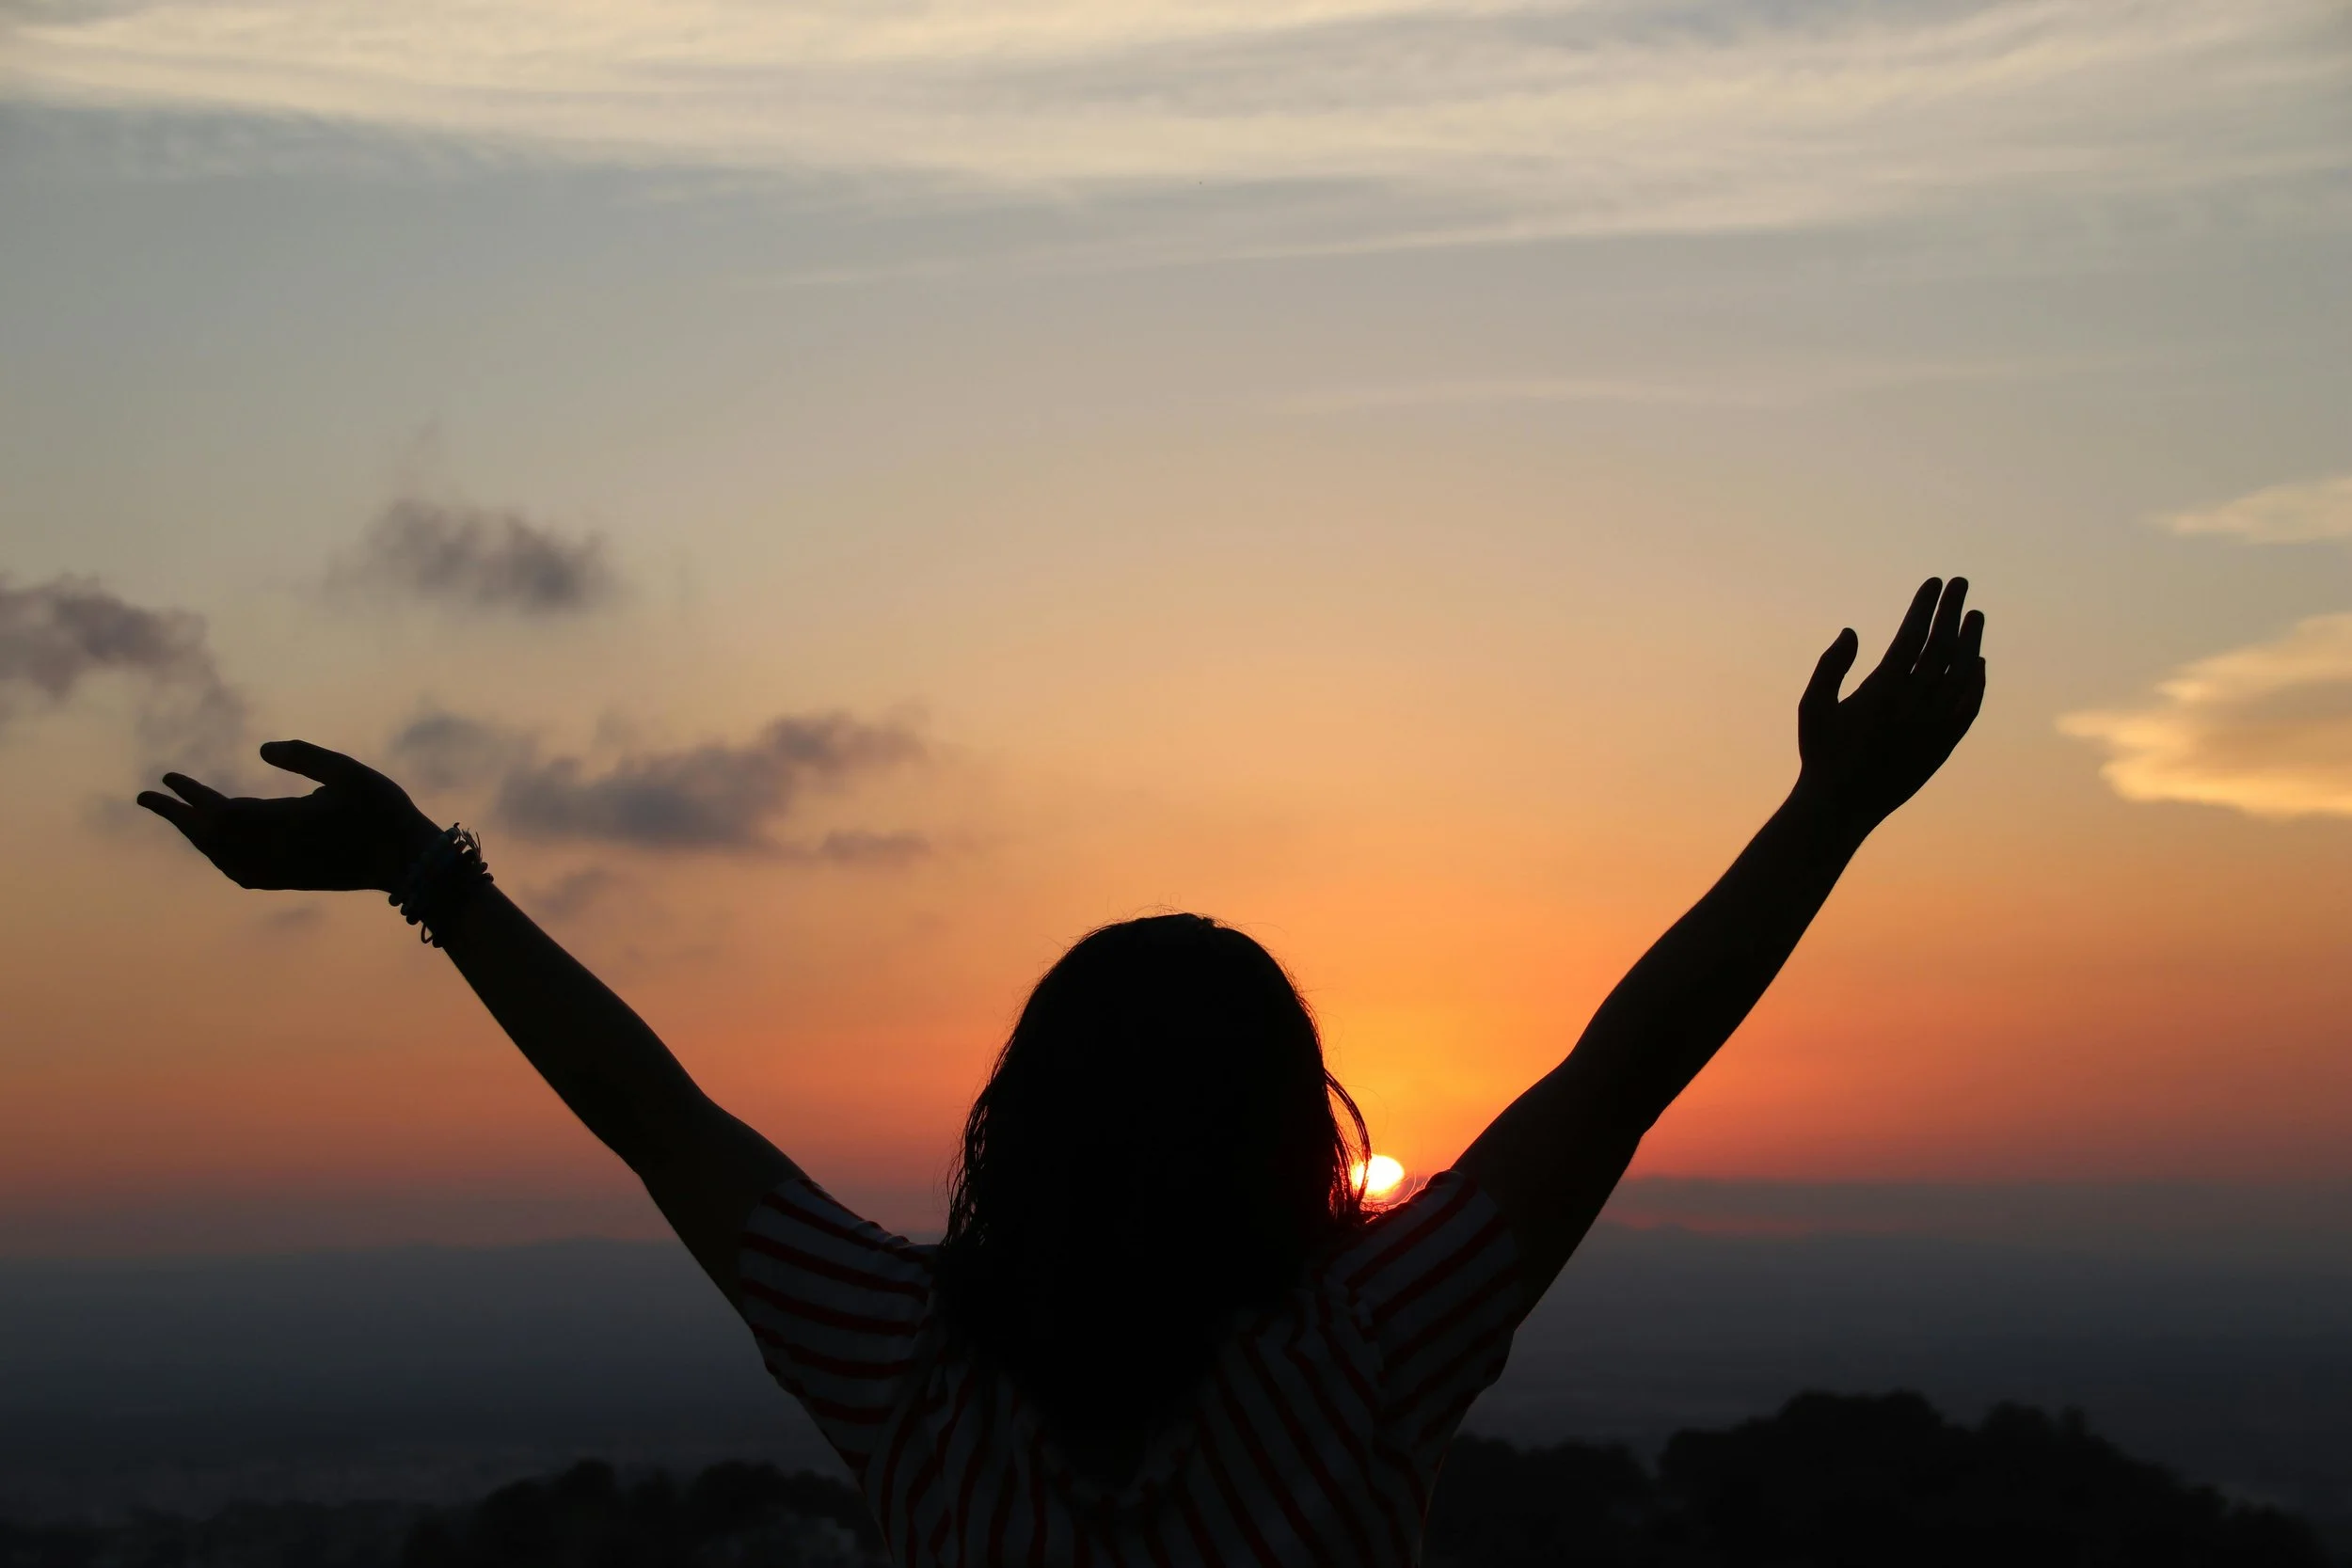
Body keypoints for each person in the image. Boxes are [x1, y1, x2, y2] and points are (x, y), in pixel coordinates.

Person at [139, 577, 1986, 1566]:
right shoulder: (1364, 1350)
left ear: (1015, 1132)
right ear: (1290, 1137)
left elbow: (659, 1122)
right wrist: (1827, 809)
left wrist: (426, 877)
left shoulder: (902, 1363)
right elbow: (1621, 1071)